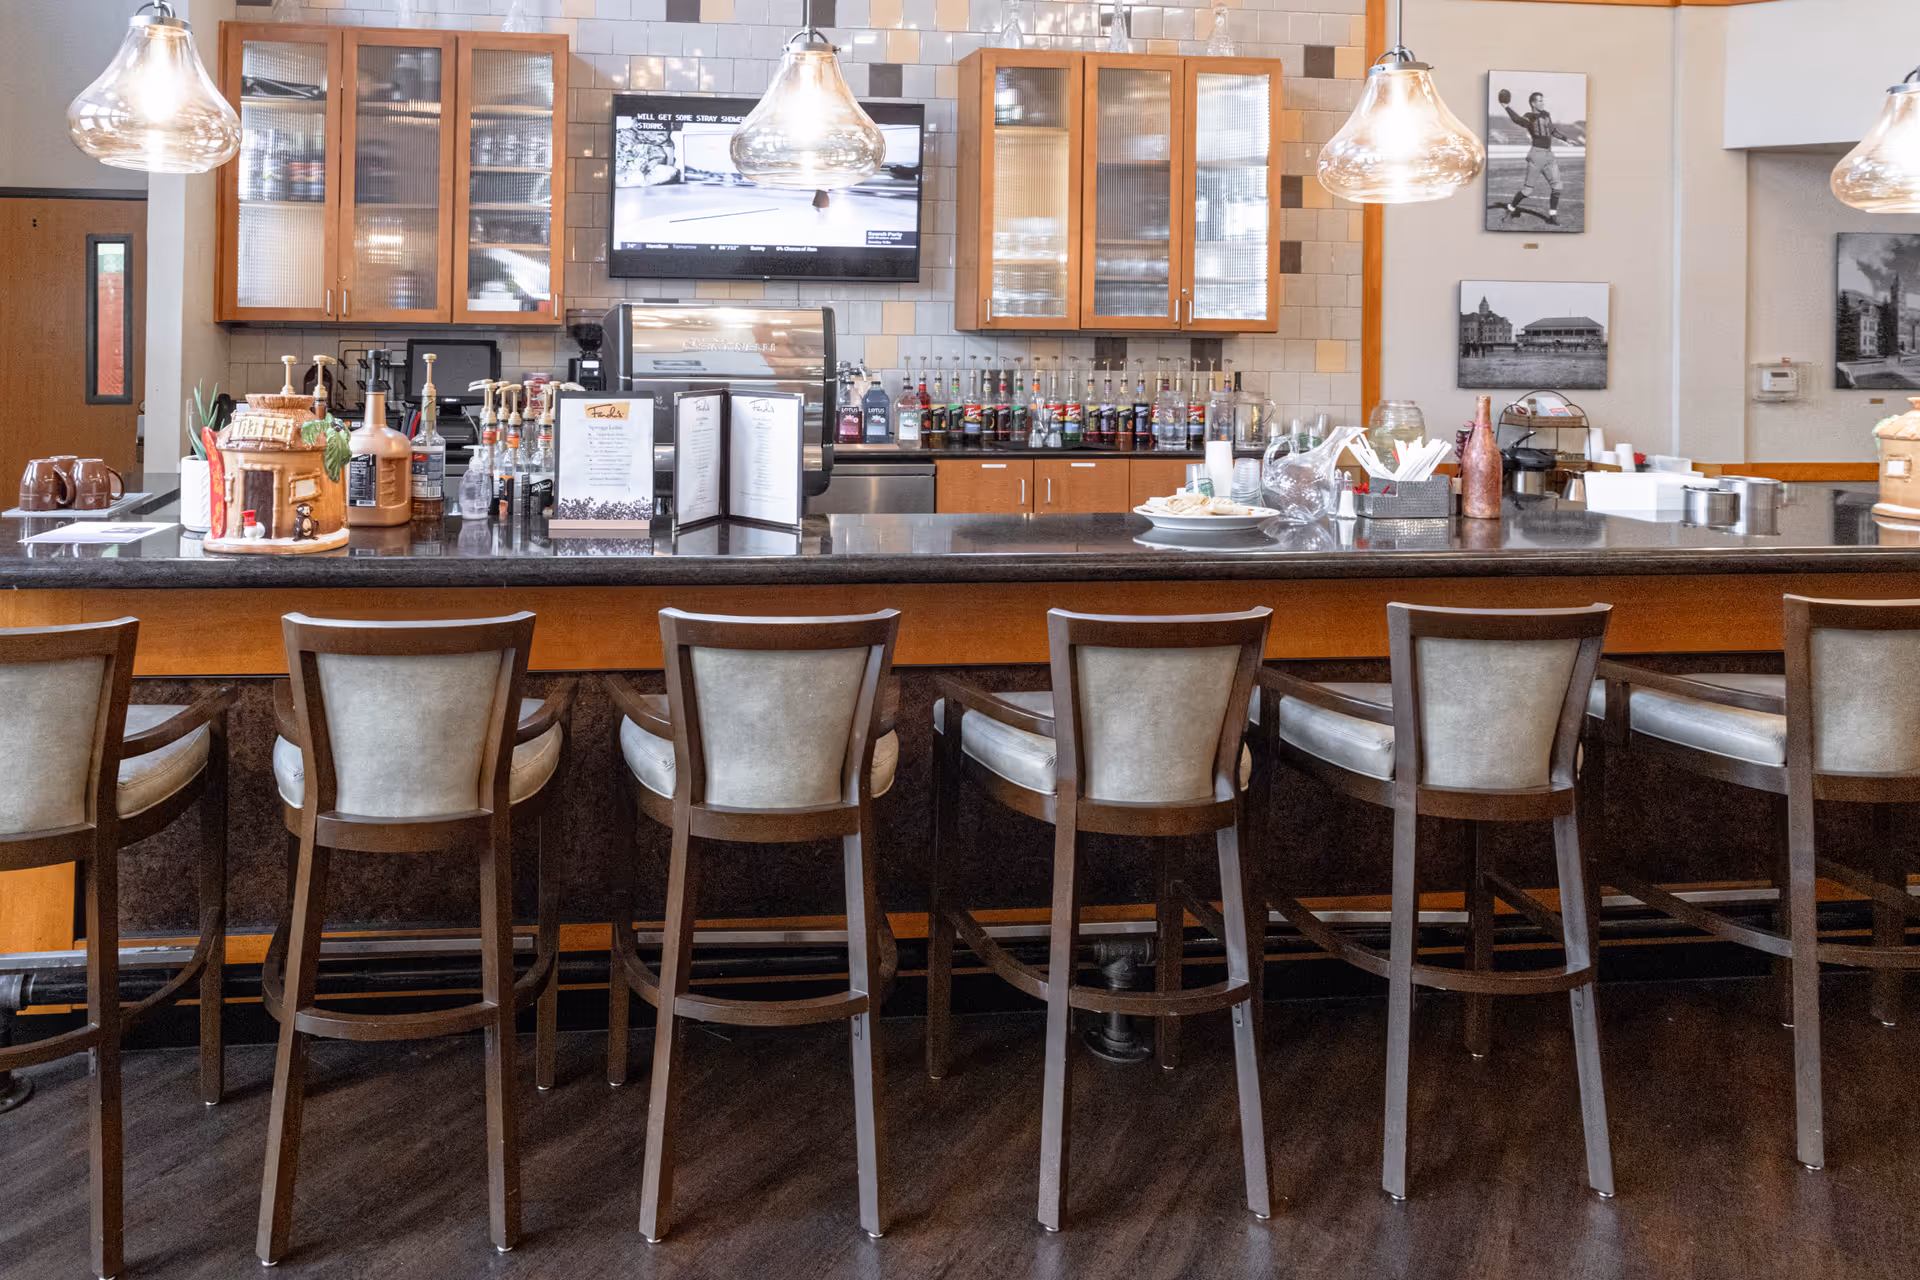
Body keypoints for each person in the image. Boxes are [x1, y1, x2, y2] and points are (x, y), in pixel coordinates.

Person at [1498, 89, 1573, 225]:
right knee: (1527, 191)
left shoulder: (1546, 114)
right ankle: (1510, 208)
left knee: (1557, 187)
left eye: (1543, 100)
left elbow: (1552, 130)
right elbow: (1517, 120)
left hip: (1549, 154)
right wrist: (1506, 106)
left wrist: (1566, 139)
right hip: (1536, 155)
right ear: (1533, 103)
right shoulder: (1529, 116)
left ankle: (1552, 217)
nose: (1543, 103)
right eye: (1540, 100)